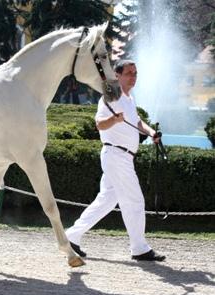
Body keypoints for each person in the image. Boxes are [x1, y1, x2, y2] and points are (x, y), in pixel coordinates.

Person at [66, 59, 166, 262]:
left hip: (120, 157)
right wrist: (114, 119)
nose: (133, 77)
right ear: (117, 76)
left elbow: (137, 121)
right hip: (117, 155)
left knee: (107, 200)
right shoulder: (112, 95)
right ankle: (139, 248)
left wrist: (151, 132)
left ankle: (71, 236)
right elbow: (99, 124)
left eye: (135, 73)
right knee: (135, 200)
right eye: (129, 73)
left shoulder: (128, 98)